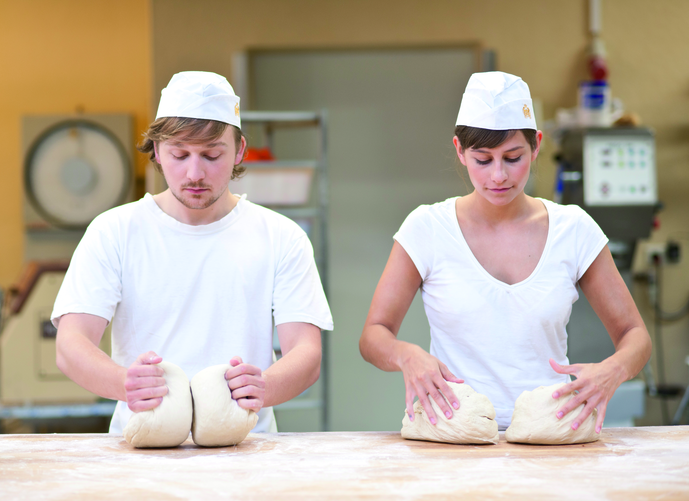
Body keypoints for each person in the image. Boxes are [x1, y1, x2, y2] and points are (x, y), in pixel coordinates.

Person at [359, 71, 650, 433]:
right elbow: (374, 334)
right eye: (483, 160)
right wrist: (406, 355)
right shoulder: (427, 228)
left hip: (551, 432)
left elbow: (635, 334)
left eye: (513, 157)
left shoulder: (573, 230)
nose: (498, 176)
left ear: (537, 145)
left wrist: (612, 371)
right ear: (459, 151)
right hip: (453, 433)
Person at [52, 71, 333, 434]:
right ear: (156, 151)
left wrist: (265, 386)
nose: (194, 173)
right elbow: (71, 344)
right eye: (179, 154)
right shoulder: (115, 232)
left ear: (240, 151)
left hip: (247, 449)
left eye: (212, 155)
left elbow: (306, 355)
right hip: (144, 446)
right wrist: (126, 383)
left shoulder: (280, 237)